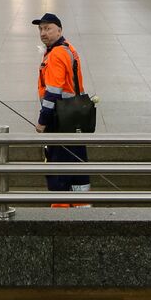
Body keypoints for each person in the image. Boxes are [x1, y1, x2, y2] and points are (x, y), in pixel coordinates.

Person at [32, 12, 91, 204]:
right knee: (77, 167)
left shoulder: (56, 54)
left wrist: (42, 122)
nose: (43, 32)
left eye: (48, 28)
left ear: (59, 30)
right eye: (41, 28)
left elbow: (52, 94)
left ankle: (60, 214)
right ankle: (82, 208)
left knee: (57, 170)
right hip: (75, 117)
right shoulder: (68, 48)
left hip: (60, 119)